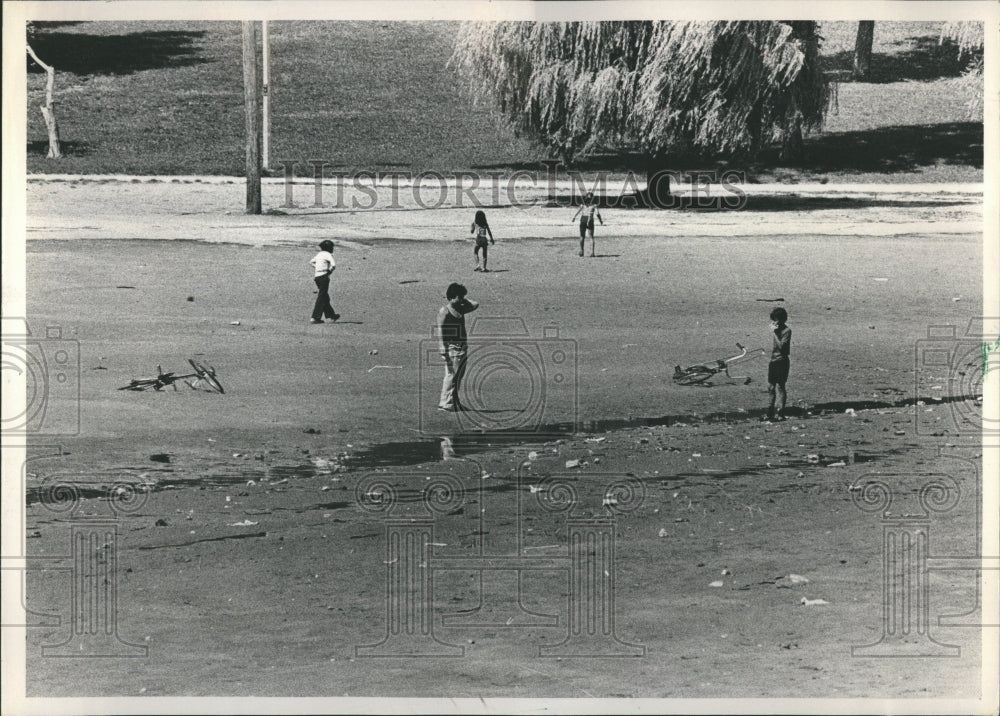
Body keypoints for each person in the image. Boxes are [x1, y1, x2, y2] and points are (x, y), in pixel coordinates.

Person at [437, 283, 479, 411]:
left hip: (461, 347)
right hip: (452, 347)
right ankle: (446, 403)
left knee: (458, 375)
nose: (461, 299)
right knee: (452, 375)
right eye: (458, 297)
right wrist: (442, 346)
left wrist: (463, 299)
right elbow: (440, 329)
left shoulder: (460, 308)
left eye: (462, 297)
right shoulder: (445, 311)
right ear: (451, 297)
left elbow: (475, 304)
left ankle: (453, 402)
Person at [766, 307, 791, 421]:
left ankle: (780, 412)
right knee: (771, 387)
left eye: (776, 320)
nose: (775, 322)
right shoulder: (777, 329)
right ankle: (769, 411)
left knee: (780, 386)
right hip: (773, 361)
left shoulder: (787, 331)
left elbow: (781, 346)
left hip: (782, 362)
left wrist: (774, 333)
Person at [309, 240, 340, 324]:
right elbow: (333, 265)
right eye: (332, 247)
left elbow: (311, 262)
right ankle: (315, 317)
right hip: (323, 277)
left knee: (325, 296)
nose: (333, 249)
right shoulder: (328, 254)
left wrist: (317, 268)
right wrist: (329, 271)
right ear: (329, 247)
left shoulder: (319, 254)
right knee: (322, 296)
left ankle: (331, 315)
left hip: (317, 277)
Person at [571, 191, 603, 257]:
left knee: (582, 236)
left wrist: (574, 217)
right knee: (591, 237)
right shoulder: (594, 205)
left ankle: (581, 251)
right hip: (590, 219)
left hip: (583, 219)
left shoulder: (582, 205)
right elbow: (597, 214)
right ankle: (592, 253)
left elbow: (578, 211)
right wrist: (600, 220)